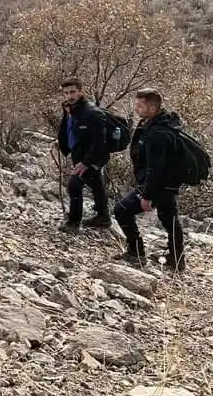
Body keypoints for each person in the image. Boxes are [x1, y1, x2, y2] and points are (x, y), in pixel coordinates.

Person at [113, 88, 186, 270]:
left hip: (158, 185)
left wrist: (147, 195)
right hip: (169, 184)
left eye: (140, 105)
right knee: (170, 219)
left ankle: (136, 253)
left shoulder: (157, 133)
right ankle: (177, 260)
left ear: (152, 109)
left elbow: (156, 168)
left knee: (122, 210)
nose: (136, 108)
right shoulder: (164, 123)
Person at [57, 77, 110, 233]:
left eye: (72, 92)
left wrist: (86, 162)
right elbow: (68, 130)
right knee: (96, 183)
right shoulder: (71, 109)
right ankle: (103, 217)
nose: (69, 96)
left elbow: (100, 142)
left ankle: (73, 223)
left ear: (81, 91)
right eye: (66, 93)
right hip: (80, 155)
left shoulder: (92, 112)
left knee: (74, 186)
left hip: (93, 157)